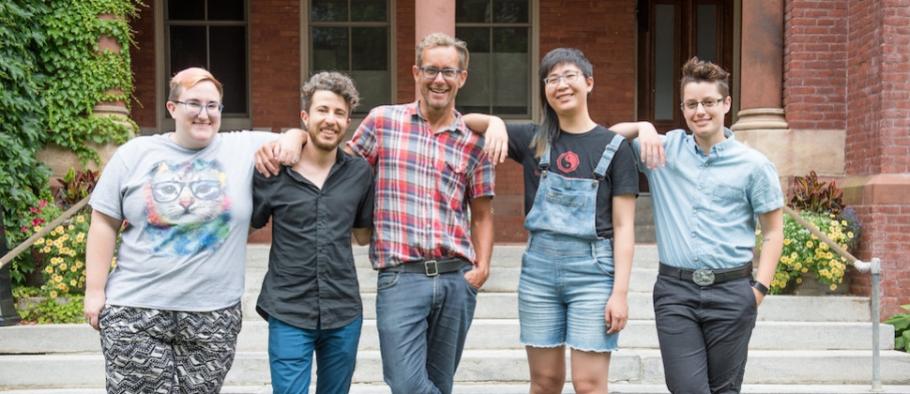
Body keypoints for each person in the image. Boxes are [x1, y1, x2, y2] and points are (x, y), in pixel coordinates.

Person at [83, 67, 303, 393]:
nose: (204, 114)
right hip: (137, 310)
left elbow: (304, 136)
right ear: (172, 108)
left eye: (213, 106)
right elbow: (104, 222)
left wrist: (292, 137)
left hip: (212, 316)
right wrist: (95, 290)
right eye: (194, 104)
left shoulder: (242, 148)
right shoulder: (135, 154)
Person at [463, 47, 638, 394]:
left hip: (593, 272)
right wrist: (496, 122)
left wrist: (620, 294)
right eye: (552, 78)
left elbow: (624, 227)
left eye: (569, 76)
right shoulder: (534, 140)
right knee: (544, 383)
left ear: (589, 82)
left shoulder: (615, 147)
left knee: (589, 385)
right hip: (539, 273)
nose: (561, 85)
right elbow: (464, 121)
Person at [610, 57, 784, 393]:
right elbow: (602, 139)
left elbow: (774, 231)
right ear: (682, 107)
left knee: (724, 390)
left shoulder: (754, 165)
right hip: (676, 294)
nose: (700, 111)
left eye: (708, 102)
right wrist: (642, 126)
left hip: (733, 292)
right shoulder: (661, 149)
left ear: (726, 104)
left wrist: (758, 291)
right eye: (691, 104)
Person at [250, 71, 374, 394]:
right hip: (288, 310)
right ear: (305, 116)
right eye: (322, 110)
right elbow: (250, 221)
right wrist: (285, 139)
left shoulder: (359, 174)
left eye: (339, 113)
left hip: (343, 311)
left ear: (348, 121)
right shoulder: (273, 170)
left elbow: (362, 235)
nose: (330, 120)